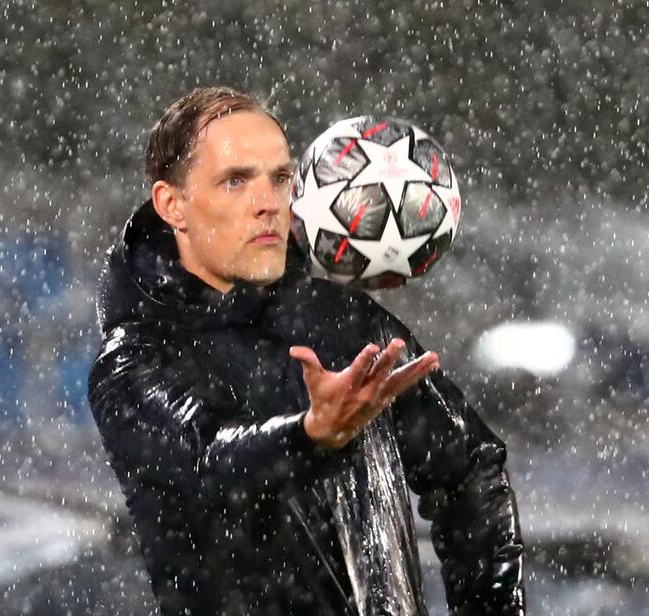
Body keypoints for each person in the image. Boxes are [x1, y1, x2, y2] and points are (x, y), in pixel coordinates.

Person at [87, 86, 525, 616]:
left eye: (279, 177)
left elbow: (471, 468)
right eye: (235, 181)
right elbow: (215, 461)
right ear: (172, 205)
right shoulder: (132, 361)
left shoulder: (340, 321)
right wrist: (313, 435)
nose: (269, 202)